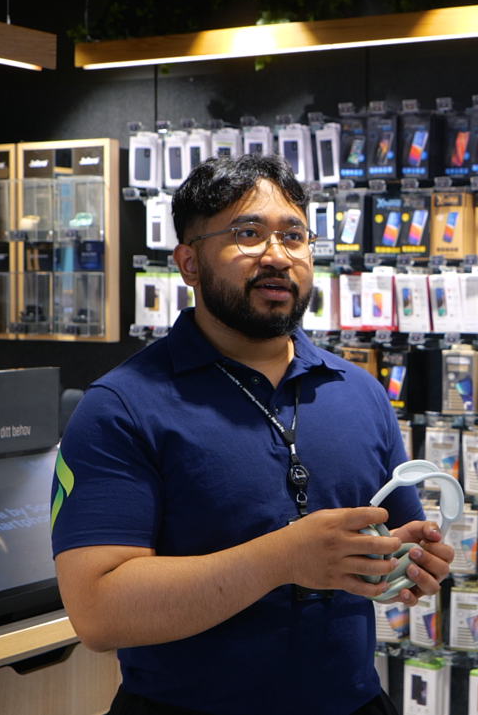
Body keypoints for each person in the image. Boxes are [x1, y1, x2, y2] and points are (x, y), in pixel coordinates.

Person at [52, 152, 453, 715]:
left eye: (294, 235)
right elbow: (97, 611)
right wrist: (281, 559)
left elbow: (394, 547)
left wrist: (410, 563)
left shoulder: (360, 393)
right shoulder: (120, 406)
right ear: (189, 264)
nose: (277, 256)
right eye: (248, 233)